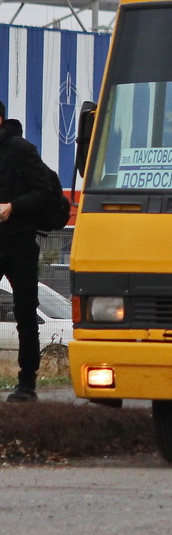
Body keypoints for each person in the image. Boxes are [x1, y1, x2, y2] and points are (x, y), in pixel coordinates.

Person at [0, 102, 55, 402]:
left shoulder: (20, 149)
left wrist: (13, 207)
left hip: (20, 242)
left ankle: (27, 383)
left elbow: (44, 191)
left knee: (25, 311)